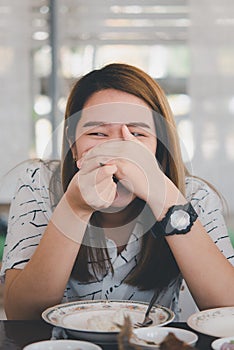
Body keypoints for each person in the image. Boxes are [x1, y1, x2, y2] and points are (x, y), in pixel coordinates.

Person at [1, 63, 234, 320]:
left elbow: (227, 308)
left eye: (137, 134)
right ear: (72, 143)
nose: (118, 149)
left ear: (159, 144)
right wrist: (75, 207)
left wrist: (164, 199)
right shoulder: (38, 184)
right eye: (98, 133)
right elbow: (21, 314)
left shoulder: (194, 196)